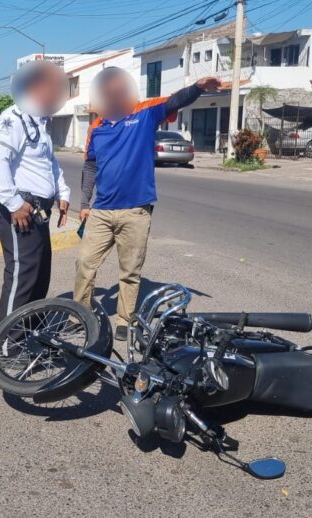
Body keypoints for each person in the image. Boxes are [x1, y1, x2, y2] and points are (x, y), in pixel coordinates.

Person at [75, 67, 221, 340]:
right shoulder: (97, 127)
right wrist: (84, 202)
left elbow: (174, 101)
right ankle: (81, 312)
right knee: (84, 262)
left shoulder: (144, 113)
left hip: (135, 211)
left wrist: (199, 87)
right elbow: (90, 165)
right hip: (102, 210)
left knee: (129, 272)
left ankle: (125, 319)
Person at [0, 61, 70, 322]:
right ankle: (9, 343)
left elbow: (49, 164)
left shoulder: (41, 123)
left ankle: (29, 334)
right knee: (22, 279)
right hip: (22, 211)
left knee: (39, 276)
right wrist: (13, 203)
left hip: (39, 213)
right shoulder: (14, 119)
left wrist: (62, 194)